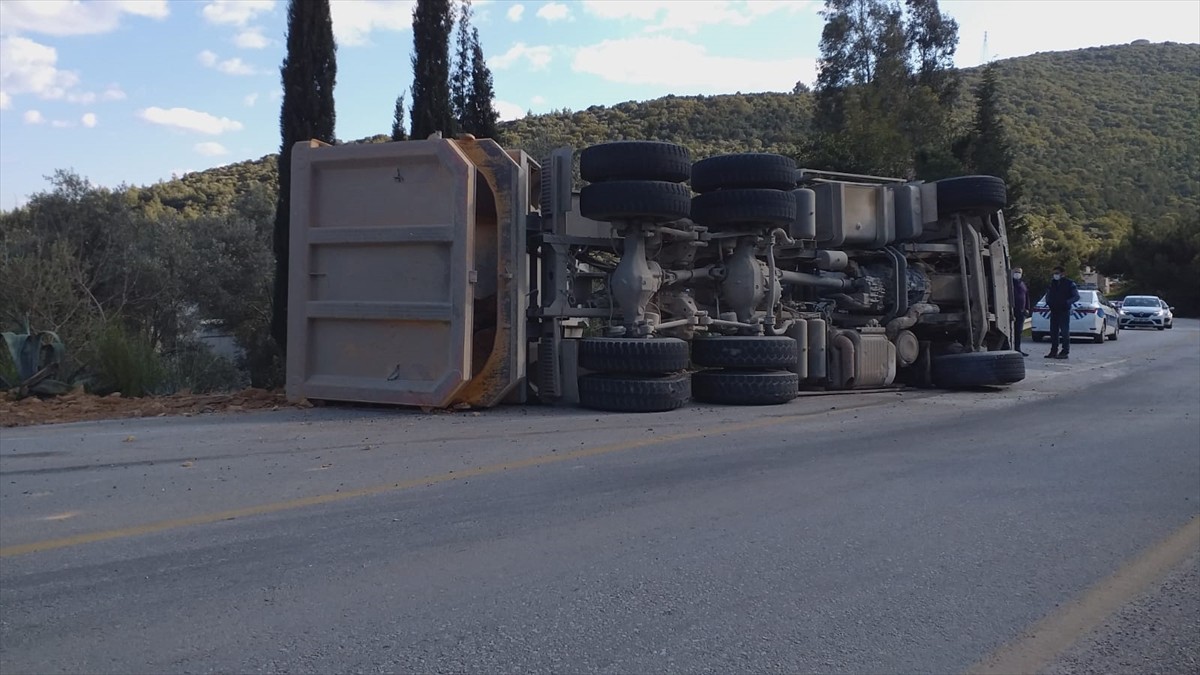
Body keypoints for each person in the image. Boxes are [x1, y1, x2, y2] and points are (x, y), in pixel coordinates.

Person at [1044, 265, 1080, 360]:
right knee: (1053, 332)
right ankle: (1053, 351)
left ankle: (1065, 351)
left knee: (1064, 332)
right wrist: (1048, 302)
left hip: (1064, 310)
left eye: (1057, 273)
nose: (1055, 275)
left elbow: (1076, 296)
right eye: (1054, 273)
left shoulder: (1069, 283)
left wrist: (1066, 302)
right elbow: (1048, 294)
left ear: (1063, 273)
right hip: (1054, 310)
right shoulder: (1052, 283)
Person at [1011, 267, 1031, 356]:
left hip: (1021, 311)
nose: (1017, 274)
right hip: (1012, 310)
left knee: (1018, 331)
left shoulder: (1022, 284)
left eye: (1019, 272)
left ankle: (1017, 348)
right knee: (1012, 331)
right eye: (1016, 272)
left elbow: (1026, 297)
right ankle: (1010, 348)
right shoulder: (1009, 283)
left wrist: (1027, 308)